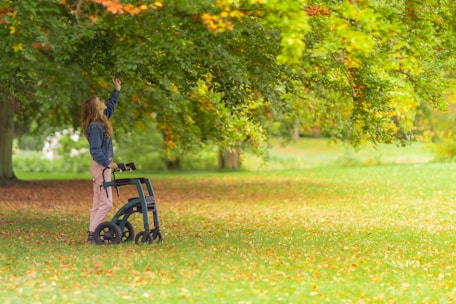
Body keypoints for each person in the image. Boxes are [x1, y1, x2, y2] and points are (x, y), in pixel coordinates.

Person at [81, 77, 121, 244]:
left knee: (98, 203)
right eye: (100, 100)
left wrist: (117, 91)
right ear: (95, 107)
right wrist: (107, 163)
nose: (103, 101)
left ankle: (92, 235)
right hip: (101, 167)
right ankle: (93, 234)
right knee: (106, 204)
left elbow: (110, 107)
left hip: (101, 167)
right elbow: (95, 150)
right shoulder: (96, 127)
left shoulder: (100, 121)